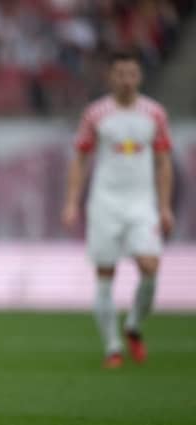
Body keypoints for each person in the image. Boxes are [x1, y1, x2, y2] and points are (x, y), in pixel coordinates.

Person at [62, 51, 175, 369]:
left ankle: (134, 325)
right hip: (105, 203)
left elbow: (164, 162)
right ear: (111, 77)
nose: (126, 80)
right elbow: (80, 158)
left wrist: (165, 207)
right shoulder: (96, 114)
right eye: (120, 73)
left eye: (131, 73)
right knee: (105, 273)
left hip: (142, 203)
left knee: (150, 266)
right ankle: (113, 346)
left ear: (139, 77)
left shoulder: (154, 113)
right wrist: (72, 202)